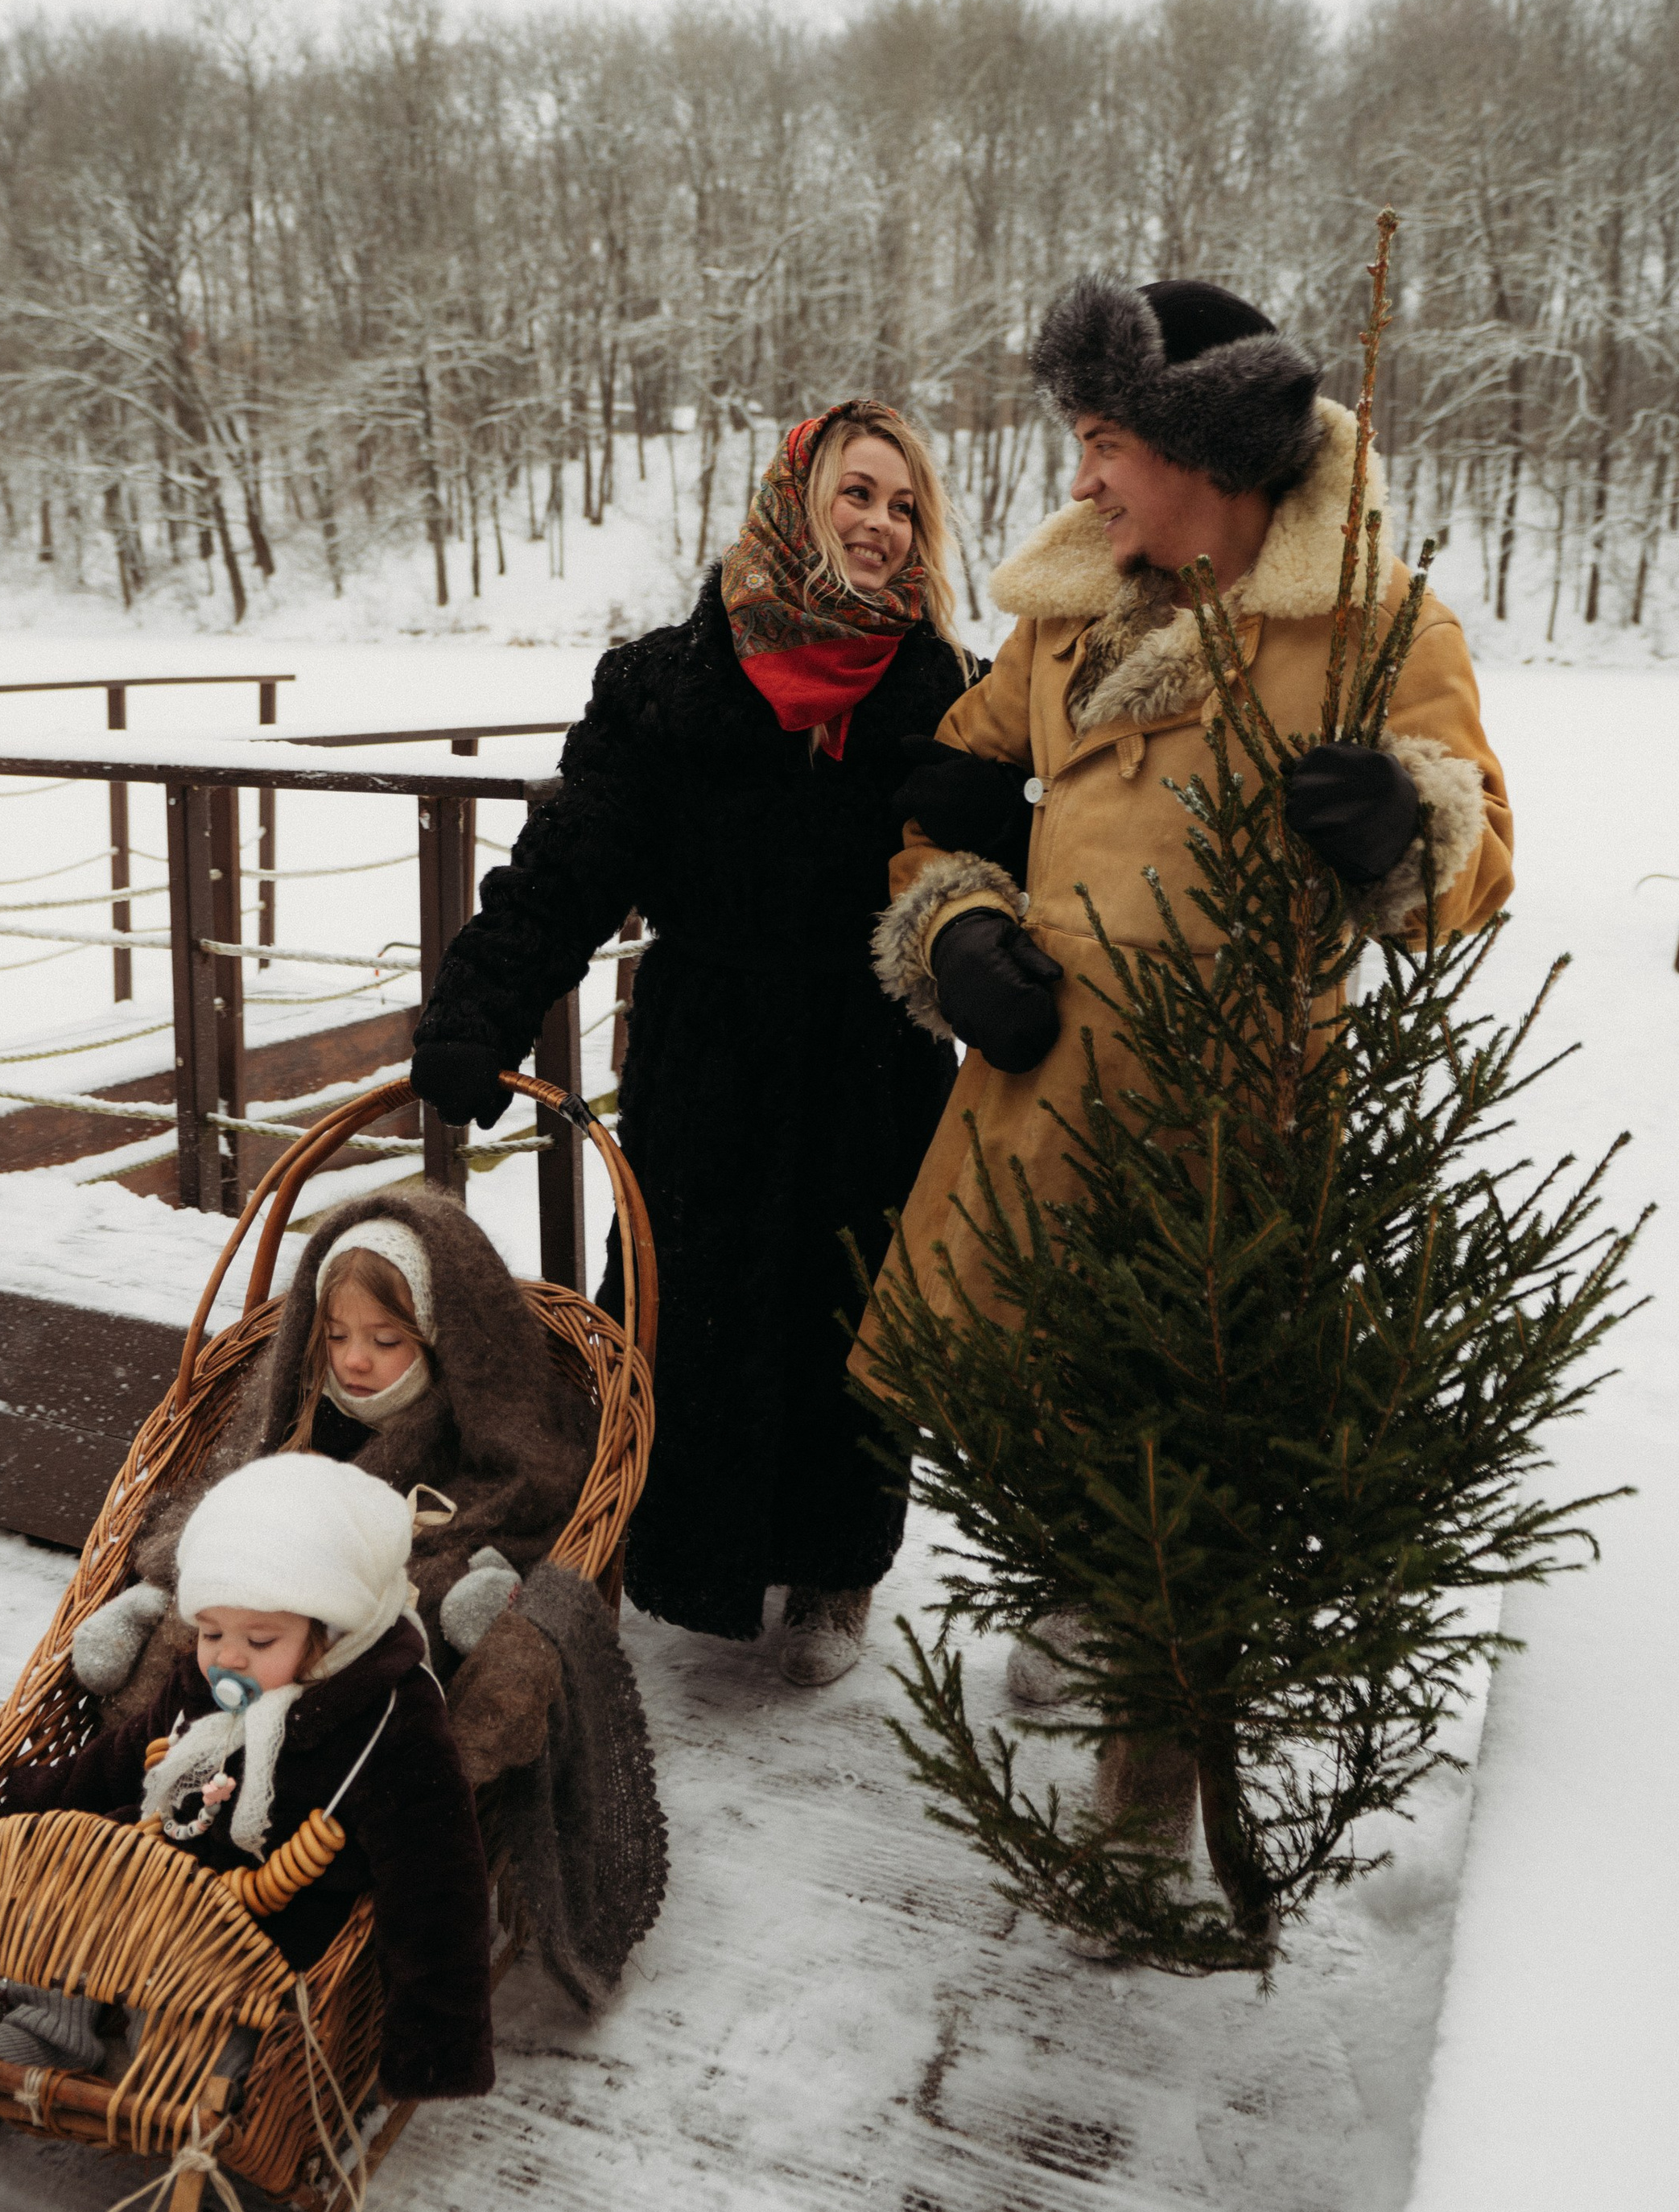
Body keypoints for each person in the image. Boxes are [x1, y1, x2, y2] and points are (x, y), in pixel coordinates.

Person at [860, 275, 1513, 1839]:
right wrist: (952, 929)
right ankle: (1082, 1601)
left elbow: (1477, 861)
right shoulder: (1064, 609)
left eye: (1099, 443)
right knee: (1047, 1413)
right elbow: (940, 803)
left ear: (1199, 445)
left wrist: (1407, 828)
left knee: (1190, 1456)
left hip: (1232, 1127)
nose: (1078, 480)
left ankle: (1143, 1810)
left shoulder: (1371, 621)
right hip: (1041, 1098)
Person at [407, 403, 1010, 1683]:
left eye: (905, 508)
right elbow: (569, 866)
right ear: (794, 502)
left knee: (856, 1317)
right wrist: (476, 1012)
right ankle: (664, 1547)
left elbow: (1009, 872)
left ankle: (836, 1573)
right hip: (708, 1054)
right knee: (684, 1309)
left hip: (872, 1057)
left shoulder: (948, 698)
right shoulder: (667, 684)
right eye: (857, 494)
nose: (880, 525)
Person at [76, 1189, 669, 2005]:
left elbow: (519, 1501)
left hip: (360, 1639)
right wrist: (162, 1581)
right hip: (245, 1635)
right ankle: (127, 1828)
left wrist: (479, 1573)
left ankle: (261, 1854)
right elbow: (223, 1502)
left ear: (438, 1338)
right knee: (194, 1629)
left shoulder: (465, 1418)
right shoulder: (299, 1414)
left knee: (395, 1633)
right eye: (338, 1336)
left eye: (386, 1340)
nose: (355, 1360)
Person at [0, 1453, 495, 2103]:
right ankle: (48, 2028)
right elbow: (126, 1752)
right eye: (212, 1631)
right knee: (74, 1892)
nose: (228, 1656)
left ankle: (183, 2077)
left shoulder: (390, 1717)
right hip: (163, 1876)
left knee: (200, 2017)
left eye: (260, 1639)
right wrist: (29, 1802)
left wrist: (437, 2038)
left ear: (333, 1634)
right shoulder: (206, 1680)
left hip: (266, 1923)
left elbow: (436, 1872)